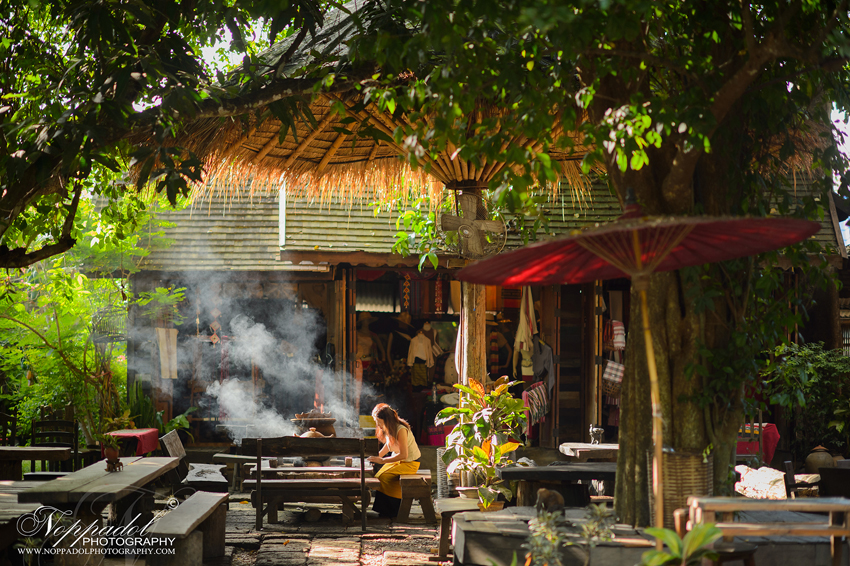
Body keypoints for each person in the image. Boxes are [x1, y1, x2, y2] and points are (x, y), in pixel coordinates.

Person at [367, 403, 421, 517]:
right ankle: (383, 510)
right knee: (379, 475)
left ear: (387, 420)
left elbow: (403, 455)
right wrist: (377, 456)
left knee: (384, 477)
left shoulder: (401, 429)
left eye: (379, 422)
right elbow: (388, 445)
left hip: (410, 463)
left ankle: (393, 510)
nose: (378, 425)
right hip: (399, 461)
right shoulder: (389, 427)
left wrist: (382, 461)